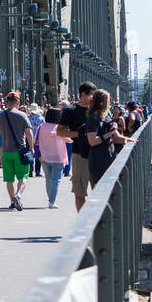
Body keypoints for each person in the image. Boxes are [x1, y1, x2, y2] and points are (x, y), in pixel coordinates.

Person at [84, 89, 133, 190]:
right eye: (108, 100)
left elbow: (116, 137)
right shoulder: (93, 119)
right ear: (102, 102)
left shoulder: (106, 117)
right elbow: (92, 141)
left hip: (109, 156)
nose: (110, 103)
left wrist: (128, 140)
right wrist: (109, 134)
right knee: (99, 190)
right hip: (98, 159)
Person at [57, 82, 95, 211]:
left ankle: (98, 222)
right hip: (79, 154)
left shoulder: (96, 110)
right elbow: (60, 131)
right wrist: (79, 134)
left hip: (97, 153)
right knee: (80, 192)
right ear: (83, 94)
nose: (93, 99)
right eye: (91, 95)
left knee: (99, 190)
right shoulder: (70, 110)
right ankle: (83, 221)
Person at [0, 91, 36, 210]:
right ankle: (18, 195)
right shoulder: (22, 115)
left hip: (6, 151)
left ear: (6, 102)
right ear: (18, 102)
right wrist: (32, 148)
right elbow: (29, 133)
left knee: (9, 179)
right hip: (20, 151)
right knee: (23, 177)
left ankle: (12, 202)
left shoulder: (0, 115)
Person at [37, 107, 67, 208]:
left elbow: (36, 141)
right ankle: (52, 201)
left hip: (44, 156)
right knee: (55, 180)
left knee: (48, 179)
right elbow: (69, 139)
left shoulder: (41, 127)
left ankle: (50, 199)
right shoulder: (59, 128)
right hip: (58, 156)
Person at [27, 104, 45, 179]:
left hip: (29, 138)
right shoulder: (41, 119)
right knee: (38, 155)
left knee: (30, 155)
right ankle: (37, 171)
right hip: (38, 138)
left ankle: (30, 171)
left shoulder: (27, 118)